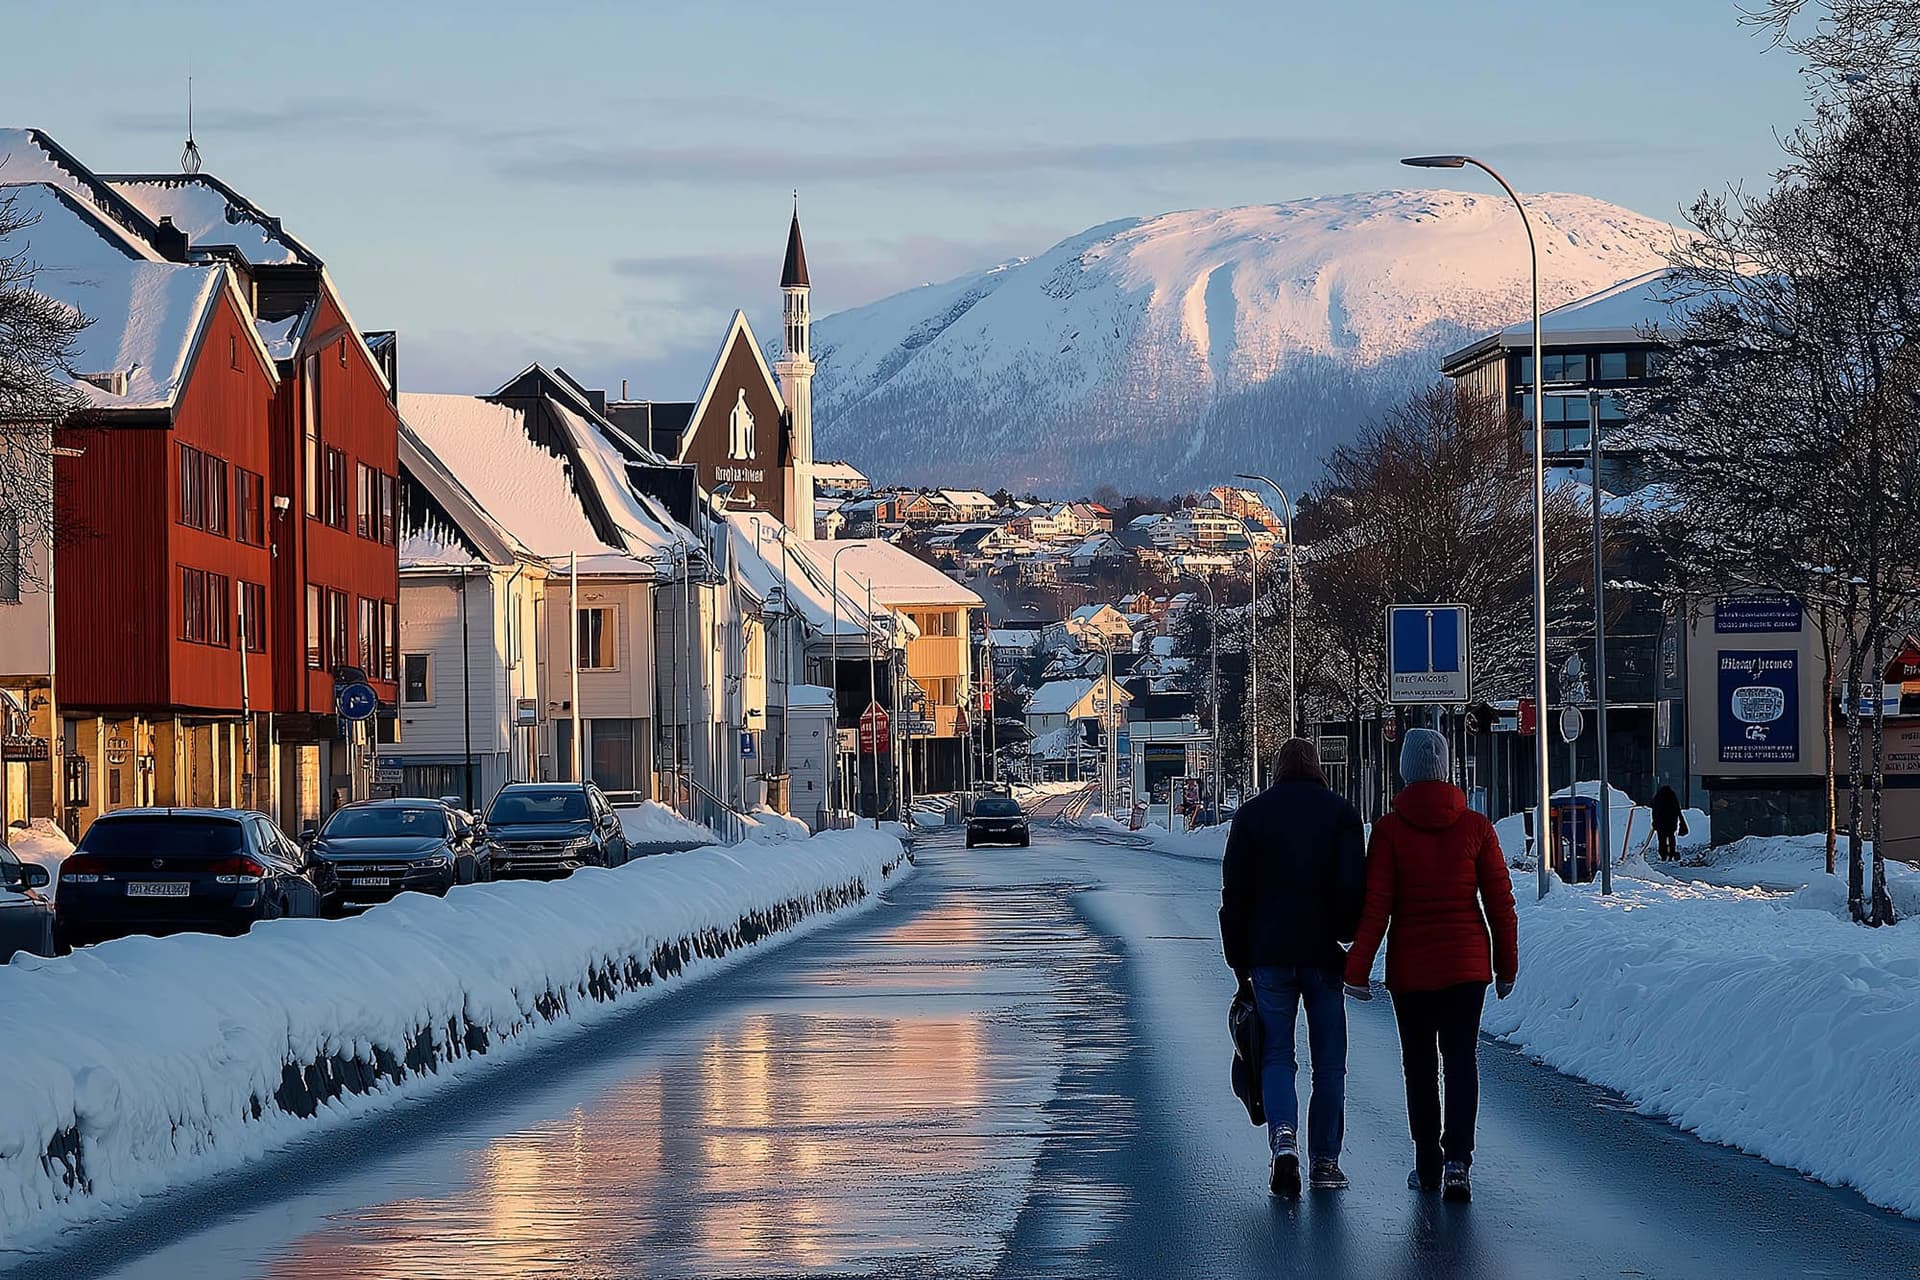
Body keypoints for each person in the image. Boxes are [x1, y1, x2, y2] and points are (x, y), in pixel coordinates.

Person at [1344, 728, 1518, 1204]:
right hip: (1467, 968)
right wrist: (1506, 966)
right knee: (1461, 1061)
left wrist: (1357, 970)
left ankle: (1426, 1163)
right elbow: (1500, 903)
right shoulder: (1477, 828)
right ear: (1445, 768)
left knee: (1418, 1064)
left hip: (1412, 971)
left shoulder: (1388, 831)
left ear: (1405, 771)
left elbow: (1377, 906)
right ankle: (1458, 1160)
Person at [1220, 737, 1367, 1197]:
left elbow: (1234, 896)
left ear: (1278, 769)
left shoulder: (1251, 816)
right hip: (1323, 955)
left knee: (1277, 1054)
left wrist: (1239, 960)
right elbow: (1351, 889)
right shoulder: (1341, 815)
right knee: (1329, 1062)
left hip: (1268, 955)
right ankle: (1325, 1160)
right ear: (1317, 767)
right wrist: (1346, 932)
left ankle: (1284, 1142)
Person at [1651, 784, 1683, 862]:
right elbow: (1677, 809)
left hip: (1660, 823)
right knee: (1671, 837)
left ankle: (1663, 855)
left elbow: (1655, 810)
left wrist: (1655, 821)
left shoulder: (1658, 797)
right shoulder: (1672, 796)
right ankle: (1672, 853)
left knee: (1661, 840)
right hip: (1671, 822)